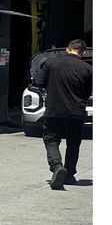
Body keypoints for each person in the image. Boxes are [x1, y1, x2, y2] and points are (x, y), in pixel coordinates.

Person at [36, 38, 93, 189]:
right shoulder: (87, 68)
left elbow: (39, 82)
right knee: (73, 143)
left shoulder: (50, 63)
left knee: (51, 140)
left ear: (67, 49)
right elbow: (88, 92)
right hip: (76, 112)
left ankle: (57, 167)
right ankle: (69, 174)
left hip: (54, 110)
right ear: (83, 52)